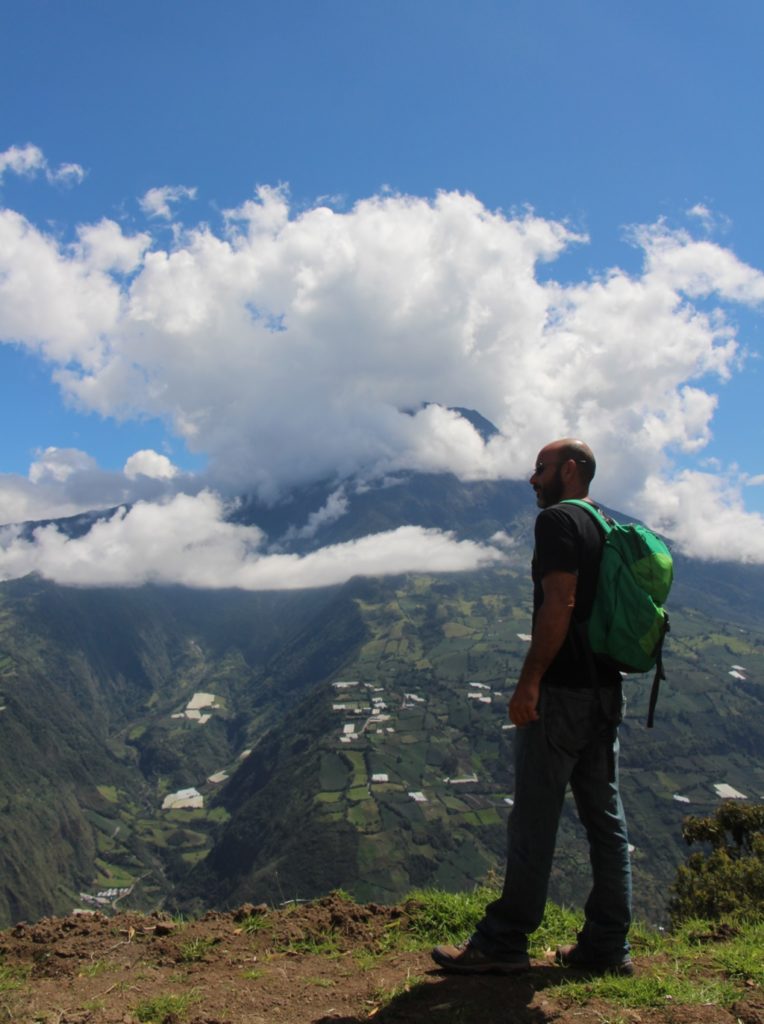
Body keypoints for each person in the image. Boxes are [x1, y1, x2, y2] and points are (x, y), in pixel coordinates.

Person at [432, 438, 633, 976]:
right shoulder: (607, 525)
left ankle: (505, 942)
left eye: (540, 468)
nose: (530, 478)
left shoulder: (558, 523)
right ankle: (608, 947)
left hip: (563, 694)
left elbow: (559, 602)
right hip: (606, 694)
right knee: (605, 820)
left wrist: (530, 683)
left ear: (568, 470)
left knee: (533, 822)